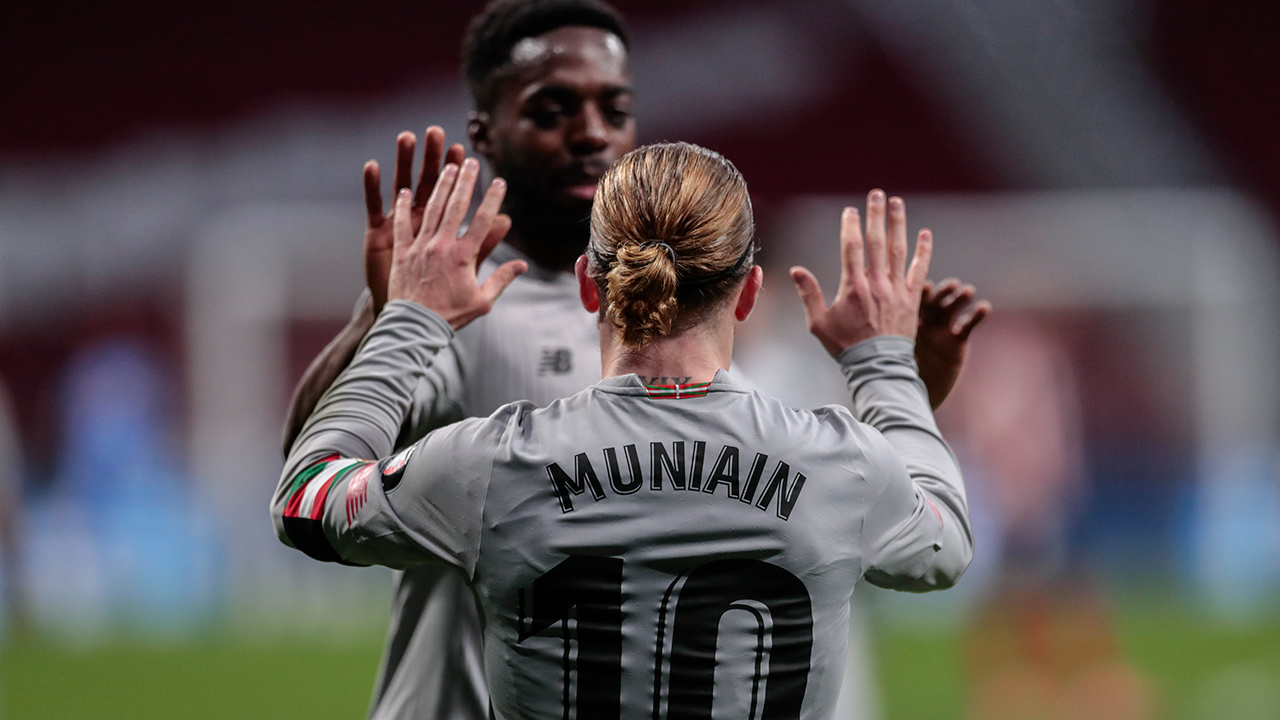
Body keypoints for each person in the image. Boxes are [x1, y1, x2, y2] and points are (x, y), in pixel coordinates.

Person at [281, 2, 986, 717]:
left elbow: (305, 499)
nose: (589, 131)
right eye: (556, 107)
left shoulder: (490, 461)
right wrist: (888, 371)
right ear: (748, 296)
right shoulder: (837, 460)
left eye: (613, 106)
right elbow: (944, 540)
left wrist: (407, 318)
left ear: (592, 286)